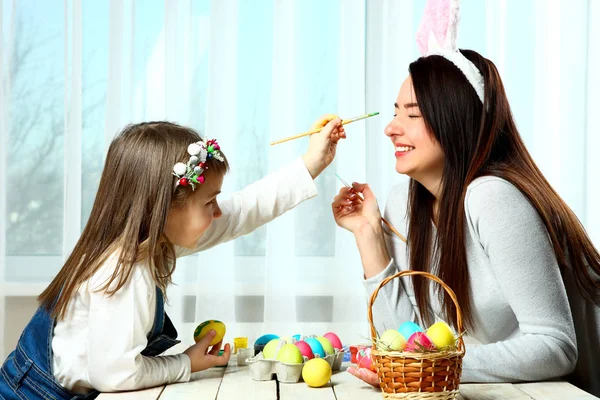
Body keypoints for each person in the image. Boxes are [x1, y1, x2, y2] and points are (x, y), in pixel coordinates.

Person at [0, 117, 345, 399]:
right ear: (162, 208)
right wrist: (185, 363)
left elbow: (243, 209)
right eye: (210, 203)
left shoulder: (154, 237)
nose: (218, 213)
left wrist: (312, 163)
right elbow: (115, 374)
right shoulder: (124, 269)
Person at [332, 49, 600, 396]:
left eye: (412, 115)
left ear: (455, 120)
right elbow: (407, 341)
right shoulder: (403, 202)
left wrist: (440, 366)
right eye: (396, 112)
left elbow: (556, 348)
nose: (390, 128)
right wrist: (368, 234)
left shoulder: (492, 198)